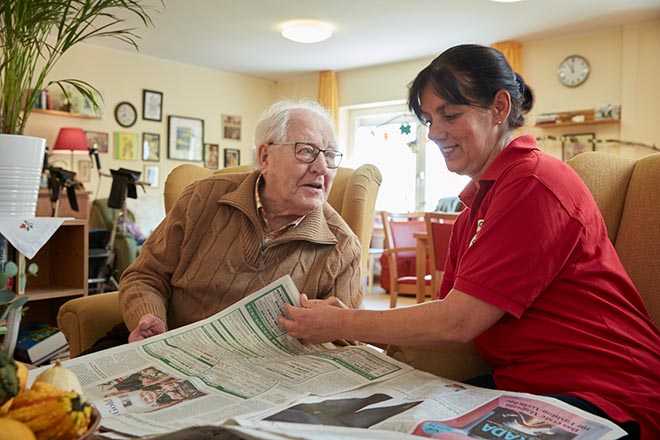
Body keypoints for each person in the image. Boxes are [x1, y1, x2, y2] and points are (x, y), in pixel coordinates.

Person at [279, 44, 660, 439]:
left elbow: (459, 322)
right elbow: (446, 316)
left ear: (499, 108)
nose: (435, 133)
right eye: (429, 118)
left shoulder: (534, 182)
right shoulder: (476, 209)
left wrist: (343, 322)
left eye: (451, 114)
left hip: (608, 394)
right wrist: (349, 322)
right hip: (529, 390)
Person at [86, 99, 363, 352]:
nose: (322, 168)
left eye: (330, 156)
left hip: (261, 372)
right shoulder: (202, 198)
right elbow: (145, 276)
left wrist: (320, 333)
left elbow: (346, 342)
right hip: (171, 342)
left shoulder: (343, 246)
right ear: (265, 157)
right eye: (306, 151)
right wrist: (150, 318)